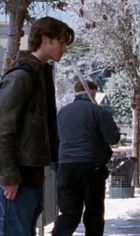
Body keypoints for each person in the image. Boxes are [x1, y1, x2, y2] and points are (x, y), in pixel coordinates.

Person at [0, 16, 74, 236]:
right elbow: (1, 130)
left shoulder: (41, 73)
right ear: (46, 39)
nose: (64, 48)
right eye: (62, 41)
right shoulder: (22, 76)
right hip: (16, 180)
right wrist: (8, 177)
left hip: (31, 178)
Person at [52, 80, 120, 236]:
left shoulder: (62, 113)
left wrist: (56, 165)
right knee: (94, 213)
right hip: (91, 166)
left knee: (69, 213)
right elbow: (113, 138)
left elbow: (54, 141)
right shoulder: (98, 111)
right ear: (92, 92)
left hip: (66, 167)